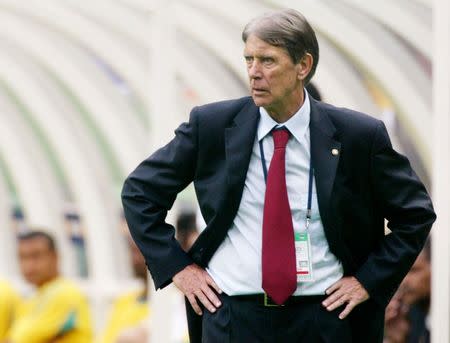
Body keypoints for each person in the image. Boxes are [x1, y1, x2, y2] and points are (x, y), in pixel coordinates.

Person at [121, 8, 436, 343]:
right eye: (249, 60)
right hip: (232, 318)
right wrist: (178, 269)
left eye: (268, 61)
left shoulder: (358, 135)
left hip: (324, 319)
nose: (254, 73)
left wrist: (367, 281)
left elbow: (414, 214)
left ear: (303, 66)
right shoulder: (211, 126)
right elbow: (140, 192)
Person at [4, 230, 92, 343]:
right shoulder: (35, 298)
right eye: (22, 257)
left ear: (55, 257)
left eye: (35, 256)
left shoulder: (64, 293)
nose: (28, 265)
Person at [97, 235, 149, 343]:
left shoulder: (173, 303)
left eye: (139, 252)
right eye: (132, 252)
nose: (135, 260)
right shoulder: (124, 300)